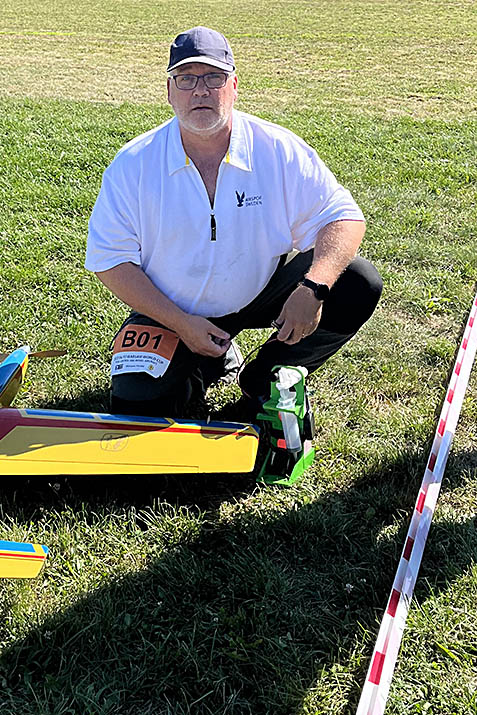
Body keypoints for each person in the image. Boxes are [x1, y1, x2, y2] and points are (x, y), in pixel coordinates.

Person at [85, 26, 382, 423]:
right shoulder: (134, 163)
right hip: (170, 311)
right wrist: (181, 324)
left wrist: (313, 288)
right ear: (169, 90)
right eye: (186, 79)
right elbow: (110, 261)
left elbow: (343, 218)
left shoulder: (277, 148)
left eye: (214, 78)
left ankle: (266, 377)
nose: (200, 91)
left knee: (357, 280)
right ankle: (200, 365)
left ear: (234, 85)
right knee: (138, 407)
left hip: (260, 293)